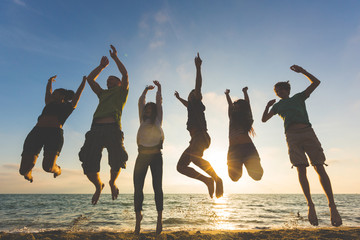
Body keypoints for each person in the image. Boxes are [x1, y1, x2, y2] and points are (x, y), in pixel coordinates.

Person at [261, 64, 342, 227]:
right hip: (291, 136)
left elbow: (316, 83)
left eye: (281, 90)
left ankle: (332, 206)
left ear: (287, 91)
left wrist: (303, 72)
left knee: (319, 166)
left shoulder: (298, 97)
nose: (279, 92)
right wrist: (268, 106)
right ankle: (310, 205)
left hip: (307, 132)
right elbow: (264, 119)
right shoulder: (277, 106)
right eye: (277, 91)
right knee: (301, 169)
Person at [79, 45, 129, 205]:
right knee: (88, 161)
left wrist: (115, 58)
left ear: (119, 83)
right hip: (96, 130)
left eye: (112, 79)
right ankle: (98, 186)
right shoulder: (102, 93)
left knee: (118, 159)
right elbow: (90, 80)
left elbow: (125, 74)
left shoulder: (121, 92)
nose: (108, 81)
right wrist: (101, 67)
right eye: (107, 80)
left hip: (113, 129)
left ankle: (112, 182)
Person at [19, 75, 86, 182]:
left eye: (55, 93)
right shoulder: (49, 102)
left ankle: (58, 170)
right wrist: (49, 81)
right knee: (23, 170)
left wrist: (83, 82)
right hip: (37, 132)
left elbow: (78, 94)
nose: (52, 94)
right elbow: (48, 92)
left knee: (48, 167)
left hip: (54, 135)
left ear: (62, 96)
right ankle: (28, 173)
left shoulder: (69, 106)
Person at [174, 53, 223, 198]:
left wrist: (198, 68)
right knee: (181, 167)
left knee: (195, 159)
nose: (194, 94)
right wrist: (178, 98)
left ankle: (217, 179)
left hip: (201, 137)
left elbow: (198, 85)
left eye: (195, 94)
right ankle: (207, 180)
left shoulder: (196, 102)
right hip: (195, 140)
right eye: (192, 94)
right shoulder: (191, 106)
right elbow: (186, 104)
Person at [134, 81, 164, 235]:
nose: (147, 110)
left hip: (156, 156)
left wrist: (159, 88)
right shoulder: (142, 120)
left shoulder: (158, 120)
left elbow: (159, 102)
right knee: (138, 188)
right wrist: (145, 90)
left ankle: (159, 219)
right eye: (146, 109)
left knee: (157, 187)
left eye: (150, 109)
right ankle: (138, 219)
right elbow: (140, 102)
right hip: (142, 156)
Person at [225, 87, 263, 182]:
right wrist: (227, 95)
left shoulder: (247, 116)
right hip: (234, 150)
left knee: (257, 176)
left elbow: (247, 104)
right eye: (234, 105)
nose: (235, 106)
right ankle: (243, 162)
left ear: (242, 107)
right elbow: (230, 105)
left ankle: (247, 161)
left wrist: (245, 92)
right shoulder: (232, 116)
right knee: (234, 177)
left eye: (237, 105)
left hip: (247, 148)